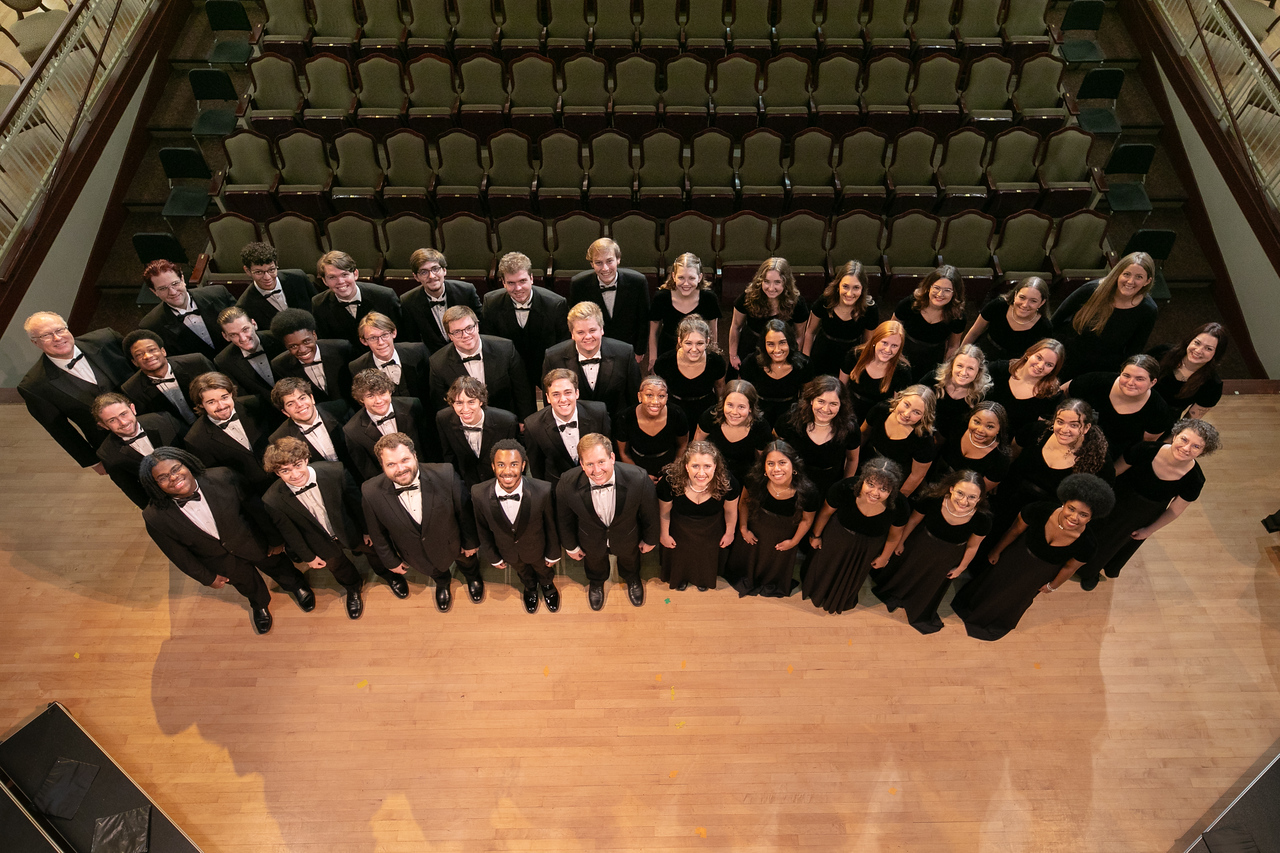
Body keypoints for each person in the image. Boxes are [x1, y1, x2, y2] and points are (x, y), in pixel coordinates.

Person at [141, 447, 314, 635]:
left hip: (254, 541)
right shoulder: (154, 517)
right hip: (220, 561)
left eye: (175, 469)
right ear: (154, 484)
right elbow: (178, 555)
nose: (173, 478)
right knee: (246, 584)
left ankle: (297, 586)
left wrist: (275, 539)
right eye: (163, 477)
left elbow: (256, 509)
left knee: (279, 566)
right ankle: (260, 604)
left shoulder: (224, 477)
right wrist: (207, 578)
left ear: (187, 464)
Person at [953, 474, 1115, 641]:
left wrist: (1053, 586)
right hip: (1015, 557)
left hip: (1040, 574)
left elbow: (1070, 567)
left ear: (1091, 517)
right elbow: (1014, 531)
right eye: (1071, 509)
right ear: (1064, 503)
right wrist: (997, 550)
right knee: (993, 582)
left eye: (1083, 515)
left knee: (1015, 596)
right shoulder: (1038, 509)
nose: (1074, 517)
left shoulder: (1088, 544)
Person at [1075, 419, 1218, 590]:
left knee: (1111, 544)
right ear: (1175, 435)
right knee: (1087, 530)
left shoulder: (1195, 479)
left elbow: (1174, 510)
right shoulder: (1144, 449)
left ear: (1203, 452)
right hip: (1114, 499)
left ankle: (1089, 572)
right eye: (1184, 439)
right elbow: (1114, 472)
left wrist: (1149, 530)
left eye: (1196, 447)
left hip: (1141, 516)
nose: (1186, 448)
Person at [361, 432, 483, 612]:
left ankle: (472, 577)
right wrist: (390, 561)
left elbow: (464, 513)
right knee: (436, 571)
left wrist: (470, 542)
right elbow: (377, 534)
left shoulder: (445, 473)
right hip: (416, 552)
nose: (400, 469)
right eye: (391, 464)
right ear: (382, 465)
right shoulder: (370, 492)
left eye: (405, 460)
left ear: (415, 456)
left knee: (467, 563)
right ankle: (442, 583)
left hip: (453, 542)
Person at [261, 437, 378, 619]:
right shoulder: (272, 499)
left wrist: (366, 530)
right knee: (338, 567)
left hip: (350, 529)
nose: (295, 474)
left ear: (306, 459)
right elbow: (290, 533)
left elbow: (356, 504)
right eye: (285, 470)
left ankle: (388, 574)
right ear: (277, 473)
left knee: (373, 552)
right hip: (318, 541)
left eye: (297, 465)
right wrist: (309, 556)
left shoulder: (335, 471)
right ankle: (353, 588)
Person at [871, 470, 991, 634]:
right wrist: (901, 542)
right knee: (907, 571)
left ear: (980, 498)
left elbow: (972, 546)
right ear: (951, 489)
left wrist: (961, 568)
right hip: (920, 544)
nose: (964, 501)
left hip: (948, 556)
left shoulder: (983, 519)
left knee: (929, 583)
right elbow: (913, 521)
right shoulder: (932, 499)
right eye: (960, 493)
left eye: (972, 497)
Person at [991, 398, 1112, 551]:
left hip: (1045, 516)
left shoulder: (1099, 461)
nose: (1064, 429)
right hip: (1009, 496)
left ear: (1086, 428)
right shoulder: (1036, 431)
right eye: (1060, 421)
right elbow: (1011, 456)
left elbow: (1097, 500)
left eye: (1074, 425)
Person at [556, 433, 659, 610]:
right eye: (589, 464)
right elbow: (564, 519)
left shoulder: (639, 478)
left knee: (629, 559)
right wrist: (571, 546)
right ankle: (596, 581)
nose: (596, 471)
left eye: (601, 462)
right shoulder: (567, 483)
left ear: (612, 457)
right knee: (594, 562)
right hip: (590, 538)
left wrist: (650, 539)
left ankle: (632, 578)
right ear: (581, 464)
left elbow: (650, 513)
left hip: (628, 535)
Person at [17, 312, 132, 470]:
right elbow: (60, 430)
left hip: (158, 420)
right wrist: (93, 461)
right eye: (46, 335)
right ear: (35, 343)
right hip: (113, 446)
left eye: (60, 330)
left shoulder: (106, 339)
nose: (57, 338)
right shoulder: (34, 386)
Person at [803, 458, 910, 614]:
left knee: (853, 577)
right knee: (825, 567)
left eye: (884, 489)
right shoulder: (844, 488)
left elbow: (894, 536)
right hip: (838, 536)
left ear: (892, 490)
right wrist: (816, 535)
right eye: (871, 484)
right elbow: (825, 513)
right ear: (863, 479)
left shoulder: (900, 506)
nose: (875, 493)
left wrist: (884, 557)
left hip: (868, 547)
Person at [471, 439, 562, 614]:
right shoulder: (478, 493)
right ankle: (530, 587)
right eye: (501, 464)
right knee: (522, 571)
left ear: (523, 466)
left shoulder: (542, 490)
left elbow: (551, 525)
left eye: (514, 464)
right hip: (508, 551)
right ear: (493, 467)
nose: (507, 471)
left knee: (543, 569)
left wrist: (553, 553)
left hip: (538, 548)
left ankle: (547, 585)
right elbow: (481, 528)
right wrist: (493, 556)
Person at [727, 441, 819, 597]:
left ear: (793, 465)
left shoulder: (808, 491)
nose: (776, 469)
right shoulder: (754, 480)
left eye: (782, 462)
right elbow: (744, 503)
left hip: (784, 533)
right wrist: (743, 528)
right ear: (764, 467)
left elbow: (806, 520)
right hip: (755, 527)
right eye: (770, 463)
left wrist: (794, 541)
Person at [1051, 252, 1159, 380]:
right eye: (1126, 274)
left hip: (1099, 370)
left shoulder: (1148, 310)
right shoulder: (1092, 289)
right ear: (1117, 273)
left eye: (1139, 277)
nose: (1130, 281)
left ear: (1147, 281)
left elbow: (1133, 351)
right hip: (1065, 356)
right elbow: (1056, 320)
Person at [482, 251, 569, 398]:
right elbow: (490, 343)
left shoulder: (555, 304)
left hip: (547, 367)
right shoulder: (491, 303)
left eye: (522, 281)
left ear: (531, 278)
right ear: (503, 282)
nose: (518, 288)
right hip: (510, 369)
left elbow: (563, 342)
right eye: (511, 283)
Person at [658, 441, 741, 591]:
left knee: (706, 553)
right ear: (686, 466)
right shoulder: (669, 481)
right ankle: (680, 577)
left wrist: (730, 533)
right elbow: (664, 512)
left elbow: (730, 511)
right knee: (681, 552)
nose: (701, 473)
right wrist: (664, 534)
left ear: (715, 466)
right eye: (695, 466)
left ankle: (703, 578)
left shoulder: (728, 482)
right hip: (680, 525)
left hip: (711, 526)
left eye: (707, 466)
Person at [182, 372, 282, 493]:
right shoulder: (196, 439)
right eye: (211, 402)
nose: (221, 406)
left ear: (231, 394)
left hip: (289, 474)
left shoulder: (255, 404)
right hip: (253, 493)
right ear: (200, 405)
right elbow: (220, 480)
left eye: (224, 397)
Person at [541, 301, 642, 420]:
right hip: (575, 428)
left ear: (602, 329)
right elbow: (550, 403)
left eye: (592, 330)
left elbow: (634, 398)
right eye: (580, 332)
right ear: (572, 334)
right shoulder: (553, 357)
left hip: (616, 427)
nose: (588, 337)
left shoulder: (625, 353)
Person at [428, 305, 534, 418]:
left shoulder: (505, 349)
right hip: (464, 423)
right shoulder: (438, 363)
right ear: (450, 336)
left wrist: (524, 420)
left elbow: (522, 390)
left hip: (507, 418)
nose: (465, 335)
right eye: (457, 332)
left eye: (469, 328)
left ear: (477, 326)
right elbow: (441, 405)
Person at [1063, 353, 1174, 457]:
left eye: (1139, 379)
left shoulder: (1158, 410)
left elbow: (1142, 446)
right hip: (1070, 439)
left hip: (1108, 455)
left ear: (1152, 382)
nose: (1130, 383)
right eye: (1126, 375)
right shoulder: (1097, 381)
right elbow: (1063, 391)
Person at [774, 375, 861, 500]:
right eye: (821, 401)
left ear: (841, 405)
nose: (826, 409)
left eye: (833, 404)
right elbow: (775, 445)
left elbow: (852, 459)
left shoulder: (850, 429)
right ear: (811, 400)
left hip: (827, 484)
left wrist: (844, 486)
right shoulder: (790, 419)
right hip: (792, 479)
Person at [93, 393, 185, 508]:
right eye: (112, 420)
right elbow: (133, 491)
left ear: (133, 408)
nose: (123, 422)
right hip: (166, 500)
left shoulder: (164, 420)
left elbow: (195, 450)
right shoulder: (107, 455)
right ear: (104, 425)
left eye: (123, 414)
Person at [524, 368, 611, 489]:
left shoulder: (598, 413)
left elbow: (609, 454)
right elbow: (537, 470)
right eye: (556, 394)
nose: (563, 399)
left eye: (567, 392)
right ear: (548, 398)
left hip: (597, 483)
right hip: (559, 490)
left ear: (577, 393)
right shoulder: (533, 425)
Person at [569, 237, 650, 360]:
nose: (605, 268)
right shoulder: (579, 284)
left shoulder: (638, 282)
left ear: (618, 259)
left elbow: (643, 319)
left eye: (609, 261)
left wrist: (639, 351)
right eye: (598, 263)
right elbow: (576, 321)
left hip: (629, 348)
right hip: (594, 349)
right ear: (592, 264)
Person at [137, 260, 236, 359]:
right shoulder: (151, 326)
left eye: (175, 283)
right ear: (154, 291)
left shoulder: (218, 294)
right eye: (163, 288)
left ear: (183, 279)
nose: (172, 292)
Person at [436, 375, 520, 489]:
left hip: (499, 484)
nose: (465, 409)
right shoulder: (443, 419)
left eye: (471, 402)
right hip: (465, 486)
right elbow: (449, 457)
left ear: (481, 401)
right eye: (459, 403)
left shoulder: (506, 422)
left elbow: (516, 460)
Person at [344, 369, 428, 482]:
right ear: (361, 399)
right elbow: (368, 473)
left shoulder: (412, 406)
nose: (378, 400)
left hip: (425, 475)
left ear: (390, 391)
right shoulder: (353, 431)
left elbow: (428, 446)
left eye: (382, 393)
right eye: (370, 396)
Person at [728, 258, 810, 372]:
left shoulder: (797, 303)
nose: (771, 288)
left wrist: (792, 359)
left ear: (786, 283)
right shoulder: (748, 297)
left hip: (780, 349)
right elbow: (736, 326)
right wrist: (733, 355)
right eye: (766, 281)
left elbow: (799, 336)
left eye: (777, 282)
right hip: (750, 346)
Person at [856, 385, 938, 497]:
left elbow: (916, 476)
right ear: (900, 399)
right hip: (865, 462)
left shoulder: (924, 440)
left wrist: (897, 498)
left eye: (916, 412)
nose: (906, 414)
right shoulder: (881, 410)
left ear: (924, 416)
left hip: (893, 477)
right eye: (906, 405)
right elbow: (863, 434)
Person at [802, 260, 879, 379]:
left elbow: (867, 343)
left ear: (863, 289)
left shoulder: (870, 310)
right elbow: (810, 332)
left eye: (856, 288)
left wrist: (860, 366)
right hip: (822, 353)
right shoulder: (825, 301)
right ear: (838, 285)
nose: (849, 293)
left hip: (850, 357)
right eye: (845, 286)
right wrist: (806, 360)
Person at [118, 329, 213, 426]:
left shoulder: (196, 362)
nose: (147, 356)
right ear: (134, 362)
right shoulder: (131, 389)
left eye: (152, 350)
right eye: (139, 354)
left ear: (163, 351)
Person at [309, 250, 402, 349]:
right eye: (332, 277)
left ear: (355, 274)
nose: (340, 281)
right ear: (324, 281)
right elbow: (328, 345)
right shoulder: (319, 304)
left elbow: (401, 336)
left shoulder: (385, 296)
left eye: (344, 275)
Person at [268, 377, 358, 478]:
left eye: (302, 398)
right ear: (285, 412)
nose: (299, 405)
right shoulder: (280, 438)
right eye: (290, 404)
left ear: (312, 398)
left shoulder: (340, 409)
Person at [652, 314, 727, 433]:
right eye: (688, 343)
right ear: (679, 341)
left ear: (707, 342)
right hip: (674, 411)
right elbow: (659, 392)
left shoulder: (716, 362)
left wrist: (722, 413)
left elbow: (720, 387)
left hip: (706, 411)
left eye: (699, 343)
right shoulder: (665, 361)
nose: (694, 349)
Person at [890, 266, 967, 382]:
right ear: (928, 287)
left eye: (947, 290)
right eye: (937, 288)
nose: (940, 294)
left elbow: (953, 346)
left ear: (955, 293)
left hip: (933, 357)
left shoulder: (958, 316)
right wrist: (896, 355)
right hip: (905, 350)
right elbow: (891, 330)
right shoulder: (910, 303)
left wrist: (945, 369)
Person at [399, 248, 483, 352]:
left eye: (435, 269)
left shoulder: (466, 291)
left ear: (444, 270)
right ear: (416, 277)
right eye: (424, 272)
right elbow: (412, 340)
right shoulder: (408, 301)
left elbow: (482, 326)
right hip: (433, 359)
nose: (431, 276)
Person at [694, 379, 774, 484]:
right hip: (710, 473)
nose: (734, 412)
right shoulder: (710, 416)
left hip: (744, 477)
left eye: (741, 407)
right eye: (730, 405)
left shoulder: (760, 427)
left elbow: (761, 462)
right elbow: (696, 447)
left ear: (750, 408)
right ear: (723, 403)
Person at [737, 319, 815, 426]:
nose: (777, 350)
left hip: (790, 417)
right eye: (771, 344)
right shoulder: (751, 363)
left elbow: (806, 397)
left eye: (782, 343)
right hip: (758, 417)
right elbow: (743, 395)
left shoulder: (804, 364)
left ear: (790, 342)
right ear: (764, 344)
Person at [268, 308, 353, 406]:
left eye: (306, 341)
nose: (303, 350)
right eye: (293, 346)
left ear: (314, 335)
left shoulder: (342, 349)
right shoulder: (280, 365)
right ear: (285, 346)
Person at [647, 252, 721, 364]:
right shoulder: (661, 297)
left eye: (691, 278)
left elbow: (713, 331)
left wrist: (713, 355)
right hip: (667, 349)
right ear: (673, 276)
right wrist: (653, 358)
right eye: (681, 277)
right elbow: (653, 331)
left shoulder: (709, 298)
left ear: (700, 277)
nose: (686, 283)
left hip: (696, 351)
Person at [960, 276, 1054, 362]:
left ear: (1042, 303)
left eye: (1033, 301)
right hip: (982, 353)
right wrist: (960, 355)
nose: (1025, 305)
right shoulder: (999, 305)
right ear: (1015, 294)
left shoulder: (1044, 326)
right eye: (1022, 297)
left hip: (1012, 366)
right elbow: (974, 332)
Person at [615, 374, 689, 483]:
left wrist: (672, 472)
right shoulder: (625, 417)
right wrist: (640, 475)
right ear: (639, 397)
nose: (655, 401)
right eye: (649, 395)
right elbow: (624, 453)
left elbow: (682, 445)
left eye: (661, 396)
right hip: (637, 468)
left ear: (667, 397)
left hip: (670, 466)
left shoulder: (677, 414)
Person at [984, 339, 1066, 435]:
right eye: (1039, 358)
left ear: (1053, 370)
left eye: (1049, 365)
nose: (1040, 366)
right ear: (1029, 354)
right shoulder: (1000, 369)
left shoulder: (1052, 396)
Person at [928, 402, 1012, 494]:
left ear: (999, 430)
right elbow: (933, 448)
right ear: (970, 418)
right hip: (932, 477)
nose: (980, 430)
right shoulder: (958, 424)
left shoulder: (1001, 458)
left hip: (963, 496)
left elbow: (979, 492)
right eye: (977, 422)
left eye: (990, 426)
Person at [1150, 322, 1229, 419]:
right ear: (1189, 341)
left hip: (1161, 422)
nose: (1198, 350)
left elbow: (1189, 421)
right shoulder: (1162, 352)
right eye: (1197, 343)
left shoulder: (1213, 385)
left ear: (1216, 354)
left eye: (1208, 349)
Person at [347, 312, 431, 402]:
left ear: (394, 333)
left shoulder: (418, 352)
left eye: (384, 335)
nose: (381, 342)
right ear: (364, 341)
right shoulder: (357, 367)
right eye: (373, 338)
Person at [839, 319, 912, 420]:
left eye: (894, 346)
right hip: (848, 412)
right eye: (884, 343)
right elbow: (840, 389)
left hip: (878, 418)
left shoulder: (902, 371)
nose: (888, 350)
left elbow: (896, 407)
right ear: (875, 341)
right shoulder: (854, 356)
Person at [234, 241, 316, 329]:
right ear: (247, 271)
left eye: (271, 270)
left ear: (276, 263)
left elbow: (319, 308)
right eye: (259, 272)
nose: (267, 277)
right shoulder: (245, 305)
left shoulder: (298, 278)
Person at [215, 306, 284, 406]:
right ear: (226, 336)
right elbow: (243, 399)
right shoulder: (223, 361)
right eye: (234, 335)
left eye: (245, 329)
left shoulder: (278, 339)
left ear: (254, 324)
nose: (243, 338)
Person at [931, 344, 993, 445]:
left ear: (978, 372)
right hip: (925, 430)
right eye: (959, 366)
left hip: (955, 442)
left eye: (970, 368)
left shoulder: (983, 395)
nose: (963, 372)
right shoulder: (934, 379)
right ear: (952, 365)